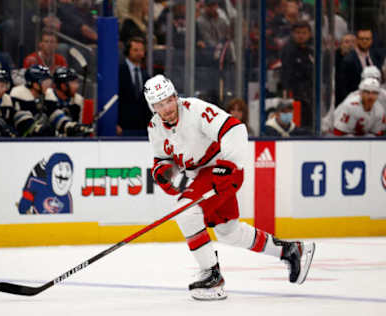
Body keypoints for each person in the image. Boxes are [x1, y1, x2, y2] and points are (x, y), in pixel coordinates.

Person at [144, 74, 315, 300]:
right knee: (228, 231)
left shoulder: (195, 110)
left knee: (186, 211)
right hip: (200, 177)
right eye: (159, 104)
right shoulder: (155, 126)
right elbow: (162, 159)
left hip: (221, 171)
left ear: (175, 96)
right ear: (152, 106)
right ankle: (290, 250)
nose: (166, 108)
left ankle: (212, 277)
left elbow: (234, 129)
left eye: (168, 100)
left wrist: (230, 164)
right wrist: (164, 172)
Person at [11, 65, 91, 137]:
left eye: (49, 82)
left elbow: (55, 114)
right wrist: (38, 128)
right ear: (35, 84)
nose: (48, 85)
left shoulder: (45, 95)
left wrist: (70, 126)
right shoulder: (19, 94)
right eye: (45, 82)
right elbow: (23, 122)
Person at [280, 20, 314, 130]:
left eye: (304, 33)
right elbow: (286, 75)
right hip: (295, 96)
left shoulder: (312, 50)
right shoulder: (289, 50)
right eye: (298, 32)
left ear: (309, 34)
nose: (301, 36)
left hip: (310, 95)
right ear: (293, 34)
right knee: (297, 126)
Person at [336, 27, 383, 105]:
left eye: (367, 39)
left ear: (371, 41)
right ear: (357, 40)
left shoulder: (376, 57)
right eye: (362, 39)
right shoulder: (348, 60)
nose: (364, 41)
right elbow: (342, 88)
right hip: (355, 104)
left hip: (375, 103)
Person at [117, 37, 151, 136]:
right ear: (128, 51)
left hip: (141, 128)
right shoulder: (119, 72)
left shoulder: (146, 75)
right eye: (135, 50)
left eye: (142, 50)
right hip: (122, 127)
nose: (139, 53)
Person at [334, 33, 356, 105]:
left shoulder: (359, 58)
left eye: (353, 42)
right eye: (347, 42)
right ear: (341, 44)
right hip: (338, 97)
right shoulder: (333, 58)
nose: (350, 44)